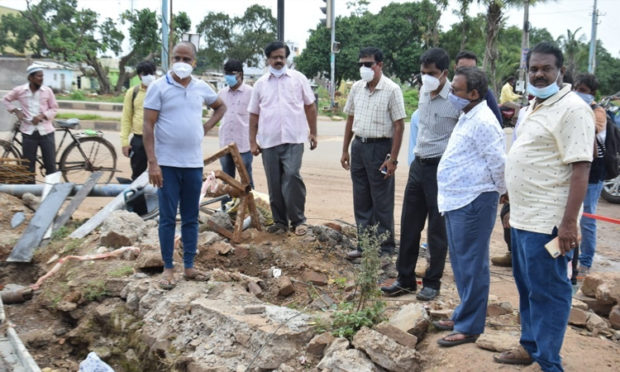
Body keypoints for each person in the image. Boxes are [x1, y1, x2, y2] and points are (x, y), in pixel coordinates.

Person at [494, 42, 594, 371]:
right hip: (524, 218)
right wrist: (509, 198)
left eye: (545, 68)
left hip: (549, 224)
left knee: (549, 292)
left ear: (560, 72)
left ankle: (548, 362)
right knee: (527, 289)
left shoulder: (574, 109)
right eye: (533, 68)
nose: (538, 74)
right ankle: (531, 346)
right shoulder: (534, 106)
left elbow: (581, 169)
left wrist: (569, 225)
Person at [143, 42, 227, 290]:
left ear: (194, 62)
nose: (182, 62)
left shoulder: (201, 87)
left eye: (186, 58)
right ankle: (168, 268)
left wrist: (208, 126)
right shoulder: (158, 87)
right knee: (168, 219)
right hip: (166, 165)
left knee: (191, 218)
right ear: (170, 59)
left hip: (192, 164)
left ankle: (189, 266)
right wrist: (152, 163)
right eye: (177, 57)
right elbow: (148, 126)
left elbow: (220, 106)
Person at [432, 66, 506, 347]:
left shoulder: (485, 121)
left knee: (472, 265)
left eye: (456, 90)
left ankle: (470, 326)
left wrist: (501, 193)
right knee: (462, 263)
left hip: (474, 200)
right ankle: (463, 314)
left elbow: (499, 163)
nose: (451, 94)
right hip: (457, 199)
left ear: (474, 93)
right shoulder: (468, 115)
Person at [381, 48, 460, 301]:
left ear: (445, 73)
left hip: (441, 169)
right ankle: (405, 279)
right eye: (423, 73)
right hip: (419, 165)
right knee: (409, 225)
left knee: (437, 230)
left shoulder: (456, 100)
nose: (426, 77)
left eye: (432, 73)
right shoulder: (424, 93)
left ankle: (432, 282)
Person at [340, 47, 406, 258]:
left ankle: (385, 248)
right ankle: (364, 246)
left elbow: (399, 125)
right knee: (361, 198)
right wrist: (345, 150)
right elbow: (350, 119)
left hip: (380, 148)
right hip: (359, 146)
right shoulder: (357, 88)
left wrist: (392, 158)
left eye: (368, 64)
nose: (364, 68)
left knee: (382, 200)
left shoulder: (391, 89)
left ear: (380, 65)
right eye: (361, 64)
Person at [248, 41, 317, 236]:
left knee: (292, 176)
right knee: (274, 182)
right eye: (275, 57)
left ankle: (298, 221)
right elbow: (253, 115)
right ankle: (280, 222)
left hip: (294, 138)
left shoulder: (298, 79)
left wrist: (313, 132)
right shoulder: (260, 84)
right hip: (269, 141)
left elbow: (310, 106)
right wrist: (252, 142)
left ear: (286, 59)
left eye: (282, 57)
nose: (278, 60)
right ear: (268, 59)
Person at [573, 73, 608, 278]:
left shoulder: (597, 112)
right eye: (576, 88)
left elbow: (592, 129)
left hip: (594, 173)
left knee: (587, 217)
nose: (578, 93)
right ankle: (571, 258)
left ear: (592, 93)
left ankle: (585, 261)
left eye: (583, 90)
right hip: (577, 169)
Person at [2, 64, 59, 182]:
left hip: (46, 132)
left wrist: (42, 115)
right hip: (28, 133)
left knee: (50, 165)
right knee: (28, 166)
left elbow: (54, 108)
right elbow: (6, 99)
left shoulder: (47, 91)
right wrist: (16, 111)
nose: (41, 78)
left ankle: (52, 195)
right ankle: (30, 193)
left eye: (42, 76)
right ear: (30, 78)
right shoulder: (20, 91)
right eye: (38, 76)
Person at [217, 58, 254, 206]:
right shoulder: (221, 93)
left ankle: (250, 207)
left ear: (240, 74)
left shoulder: (251, 92)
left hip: (243, 144)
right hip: (225, 143)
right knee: (227, 178)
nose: (229, 77)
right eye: (226, 74)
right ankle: (227, 209)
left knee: (246, 178)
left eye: (232, 74)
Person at [120, 60, 157, 182]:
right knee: (137, 176)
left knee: (159, 174)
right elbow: (126, 117)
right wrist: (125, 142)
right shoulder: (133, 92)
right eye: (145, 74)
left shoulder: (160, 90)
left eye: (151, 73)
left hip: (158, 139)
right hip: (138, 139)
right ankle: (138, 200)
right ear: (139, 76)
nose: (148, 76)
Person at [453, 51, 502, 125]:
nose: (467, 74)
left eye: (471, 70)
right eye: (462, 69)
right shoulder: (447, 92)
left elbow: (497, 122)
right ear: (455, 68)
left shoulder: (485, 92)